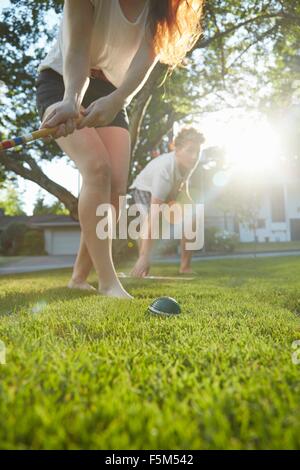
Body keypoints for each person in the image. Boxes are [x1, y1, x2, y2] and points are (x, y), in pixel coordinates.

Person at [35, 0, 204, 299]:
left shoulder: (163, 8)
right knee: (97, 170)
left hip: (113, 91)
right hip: (63, 82)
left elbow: (144, 61)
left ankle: (77, 278)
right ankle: (109, 282)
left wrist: (118, 100)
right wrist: (71, 100)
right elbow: (76, 51)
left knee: (114, 193)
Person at [130, 127, 204, 277]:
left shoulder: (190, 163)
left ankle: (185, 267)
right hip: (144, 189)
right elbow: (154, 215)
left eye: (197, 151)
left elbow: (184, 187)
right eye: (189, 151)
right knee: (150, 224)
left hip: (170, 192)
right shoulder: (165, 170)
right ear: (177, 150)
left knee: (193, 217)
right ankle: (143, 263)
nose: (194, 156)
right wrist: (145, 256)